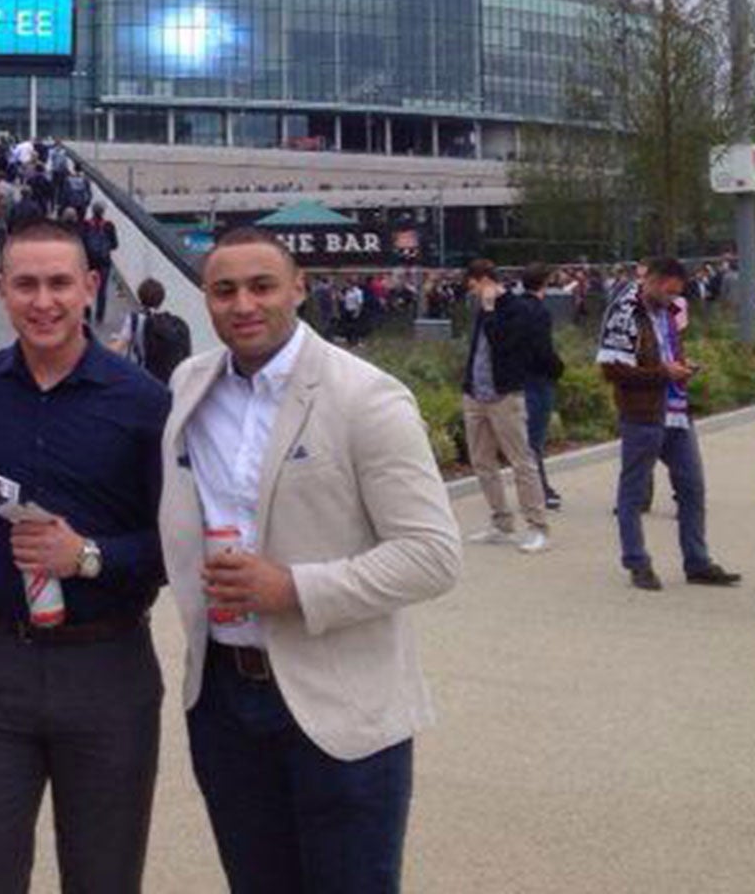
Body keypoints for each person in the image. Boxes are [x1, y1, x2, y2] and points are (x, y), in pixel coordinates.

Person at [162, 227, 461, 892]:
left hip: (340, 706)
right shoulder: (189, 387)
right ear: (205, 299)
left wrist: (293, 588)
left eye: (262, 286)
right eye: (225, 289)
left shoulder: (365, 396)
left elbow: (433, 555)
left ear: (299, 287)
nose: (244, 304)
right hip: (223, 699)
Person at [0, 219, 169, 894]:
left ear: (90, 286)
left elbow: (176, 547)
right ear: (2, 290)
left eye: (59, 283)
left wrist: (88, 555)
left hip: (108, 671)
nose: (44, 302)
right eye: (26, 284)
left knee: (103, 876)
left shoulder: (144, 404)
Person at [598, 257, 741, 593]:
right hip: (643, 413)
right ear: (651, 280)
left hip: (675, 409)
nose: (671, 298)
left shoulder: (670, 310)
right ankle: (637, 562)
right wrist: (664, 373)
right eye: (666, 291)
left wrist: (679, 367)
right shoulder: (624, 312)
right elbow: (612, 370)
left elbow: (666, 350)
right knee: (633, 492)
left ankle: (697, 561)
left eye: (676, 293)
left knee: (692, 487)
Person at [458, 260, 550, 554]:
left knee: (521, 461)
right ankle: (501, 521)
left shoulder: (515, 308)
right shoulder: (482, 310)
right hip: (476, 394)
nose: (471, 291)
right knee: (482, 461)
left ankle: (537, 526)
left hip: (504, 395)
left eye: (473, 284)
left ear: (484, 280)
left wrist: (489, 311)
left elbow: (502, 343)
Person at [514, 264, 567, 510]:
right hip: (538, 379)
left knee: (526, 439)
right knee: (535, 439)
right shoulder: (540, 312)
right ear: (544, 283)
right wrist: (558, 368)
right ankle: (539, 490)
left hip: (518, 378)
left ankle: (534, 487)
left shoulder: (514, 308)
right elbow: (543, 349)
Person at [114, 279, 192, 388]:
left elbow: (119, 347)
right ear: (161, 299)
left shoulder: (135, 319)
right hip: (165, 382)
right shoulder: (172, 322)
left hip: (140, 377)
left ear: (140, 296)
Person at [82, 208, 120, 327]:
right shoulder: (109, 226)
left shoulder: (86, 225)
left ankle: (87, 314)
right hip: (104, 263)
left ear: (93, 212)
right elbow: (115, 245)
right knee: (102, 290)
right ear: (103, 212)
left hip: (89, 262)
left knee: (87, 288)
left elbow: (82, 243)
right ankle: (99, 316)